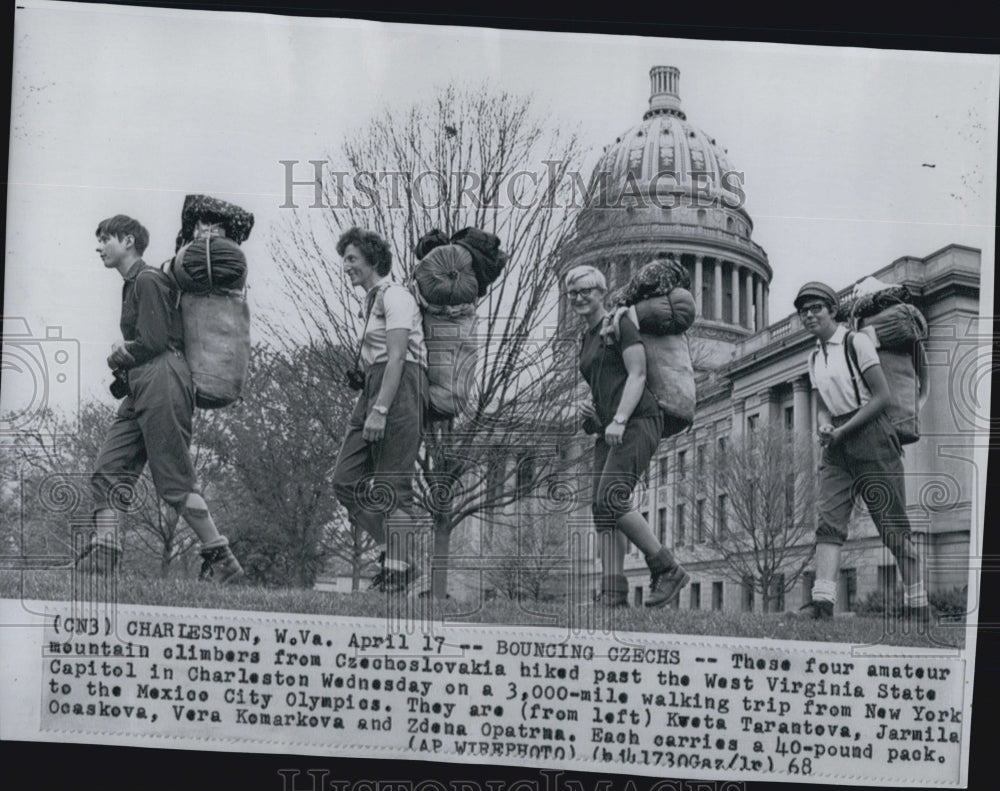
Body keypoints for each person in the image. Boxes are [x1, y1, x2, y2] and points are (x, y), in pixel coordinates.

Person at [82, 215, 244, 582]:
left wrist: (120, 351)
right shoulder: (134, 283)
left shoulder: (149, 279)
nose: (99, 247)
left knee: (172, 479)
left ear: (128, 241)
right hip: (143, 384)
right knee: (108, 469)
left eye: (105, 238)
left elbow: (153, 342)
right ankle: (105, 553)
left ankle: (222, 560)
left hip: (164, 377)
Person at [795, 281, 928, 623]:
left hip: (872, 434)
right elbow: (824, 405)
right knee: (829, 521)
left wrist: (843, 429)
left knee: (892, 525)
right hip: (837, 443)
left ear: (832, 310)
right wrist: (826, 426)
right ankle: (822, 604)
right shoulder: (814, 356)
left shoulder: (857, 343)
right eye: (803, 310)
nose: (809, 315)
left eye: (816, 308)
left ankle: (918, 606)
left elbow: (882, 397)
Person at [566, 264, 689, 609]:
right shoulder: (587, 336)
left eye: (585, 290)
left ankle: (667, 568)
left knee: (613, 498)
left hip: (637, 421)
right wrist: (595, 419)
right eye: (573, 293)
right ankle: (613, 591)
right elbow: (605, 386)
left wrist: (619, 419)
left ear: (601, 292)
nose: (578, 298)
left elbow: (637, 374)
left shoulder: (619, 322)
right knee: (601, 508)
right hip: (610, 429)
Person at [331, 228, 429, 593]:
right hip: (374, 386)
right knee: (345, 480)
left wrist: (382, 408)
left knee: (392, 485)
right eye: (345, 259)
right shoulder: (372, 302)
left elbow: (399, 356)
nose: (346, 267)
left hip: (400, 386)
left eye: (352, 258)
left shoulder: (397, 295)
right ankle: (395, 554)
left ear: (373, 259)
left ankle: (399, 570)